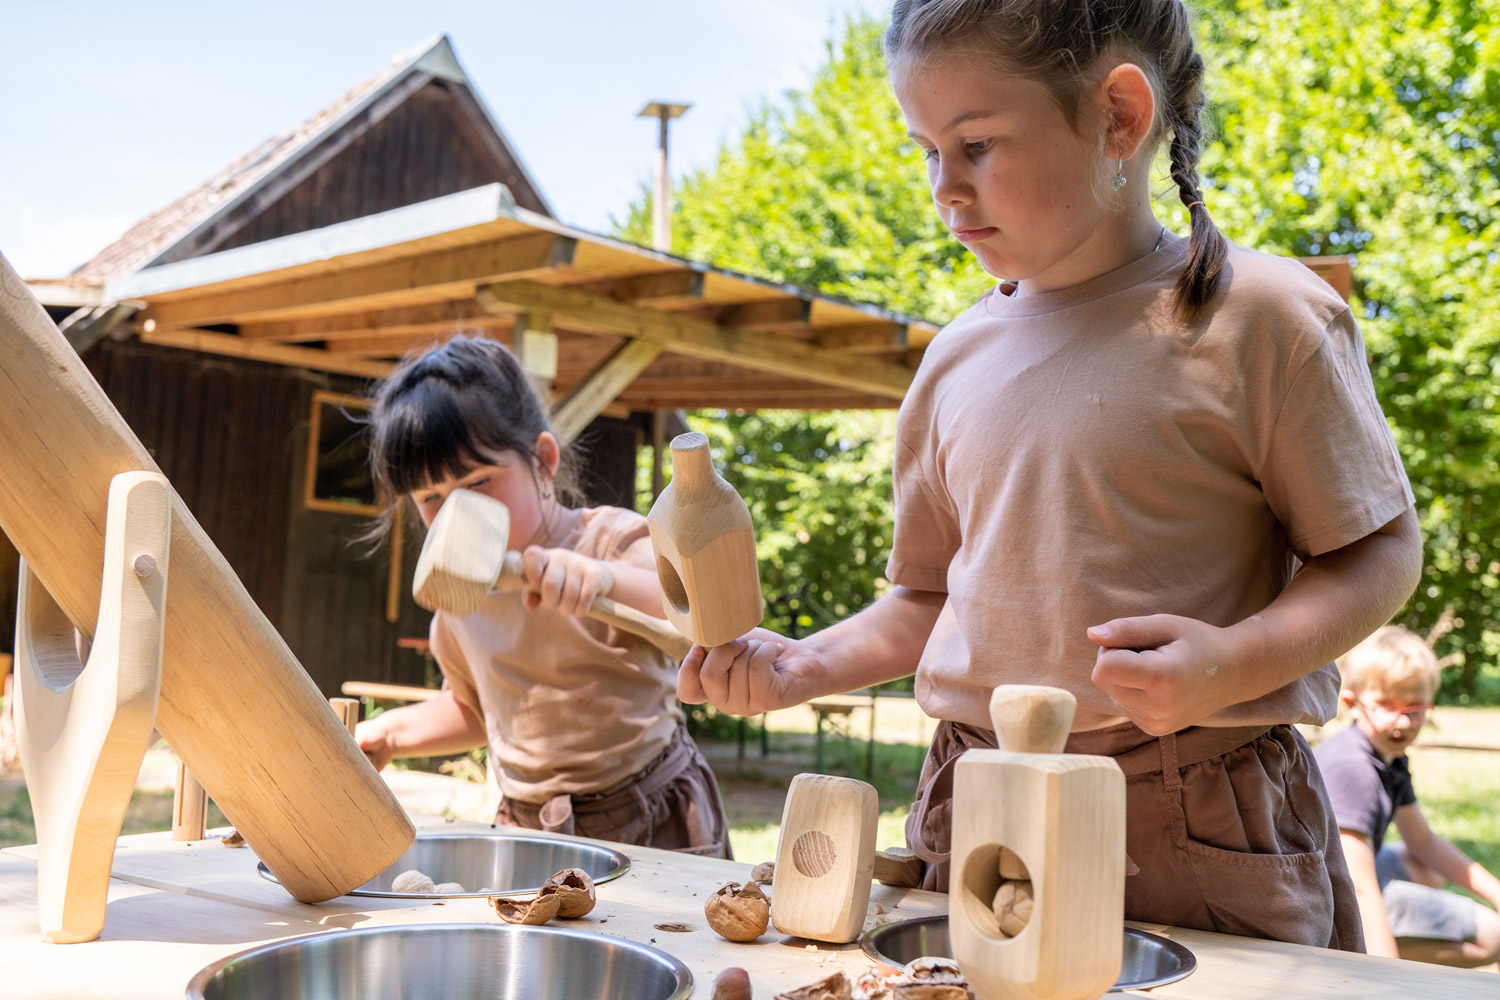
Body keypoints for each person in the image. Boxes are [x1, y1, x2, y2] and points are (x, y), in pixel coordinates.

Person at [679, 0, 1424, 949]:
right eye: (926, 151)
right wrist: (808, 663)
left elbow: (1381, 553)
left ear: (1119, 114)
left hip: (1197, 816)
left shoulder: (1270, 318)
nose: (945, 189)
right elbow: (929, 598)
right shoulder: (952, 361)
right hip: (975, 807)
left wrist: (1234, 664)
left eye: (978, 143)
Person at [354, 334, 732, 858]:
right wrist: (393, 734)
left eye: (478, 482)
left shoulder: (609, 542)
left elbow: (695, 611)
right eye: (431, 497)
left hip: (648, 812)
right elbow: (475, 708)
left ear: (543, 462)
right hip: (527, 825)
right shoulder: (463, 597)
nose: (454, 512)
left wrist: (603, 579)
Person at [1316, 626, 1500, 966]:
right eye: (1386, 705)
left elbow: (1423, 842)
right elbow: (1359, 889)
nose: (1401, 721)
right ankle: (1348, 953)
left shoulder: (1389, 756)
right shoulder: (1352, 768)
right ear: (1352, 704)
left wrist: (1494, 891)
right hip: (1326, 898)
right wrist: (1386, 978)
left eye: (1414, 708)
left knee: (1427, 869)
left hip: (1339, 875)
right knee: (1493, 937)